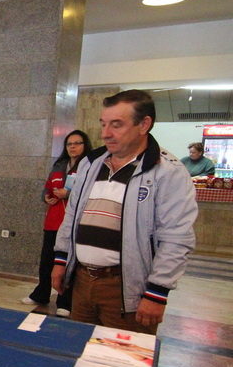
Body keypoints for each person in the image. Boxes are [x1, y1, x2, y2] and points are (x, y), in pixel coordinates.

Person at [52, 90, 197, 334]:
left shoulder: (167, 172)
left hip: (127, 288)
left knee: (123, 363)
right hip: (82, 280)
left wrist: (157, 292)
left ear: (144, 125)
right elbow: (72, 216)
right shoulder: (91, 163)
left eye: (116, 125)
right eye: (103, 124)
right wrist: (61, 260)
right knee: (80, 357)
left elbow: (176, 237)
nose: (105, 133)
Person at [21, 130, 89, 316]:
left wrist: (69, 194)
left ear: (85, 145)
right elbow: (47, 188)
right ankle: (41, 293)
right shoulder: (59, 165)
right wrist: (47, 197)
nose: (73, 147)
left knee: (67, 264)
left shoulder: (89, 166)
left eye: (77, 143)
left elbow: (90, 193)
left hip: (72, 224)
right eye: (69, 144)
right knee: (46, 262)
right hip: (53, 221)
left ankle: (65, 301)